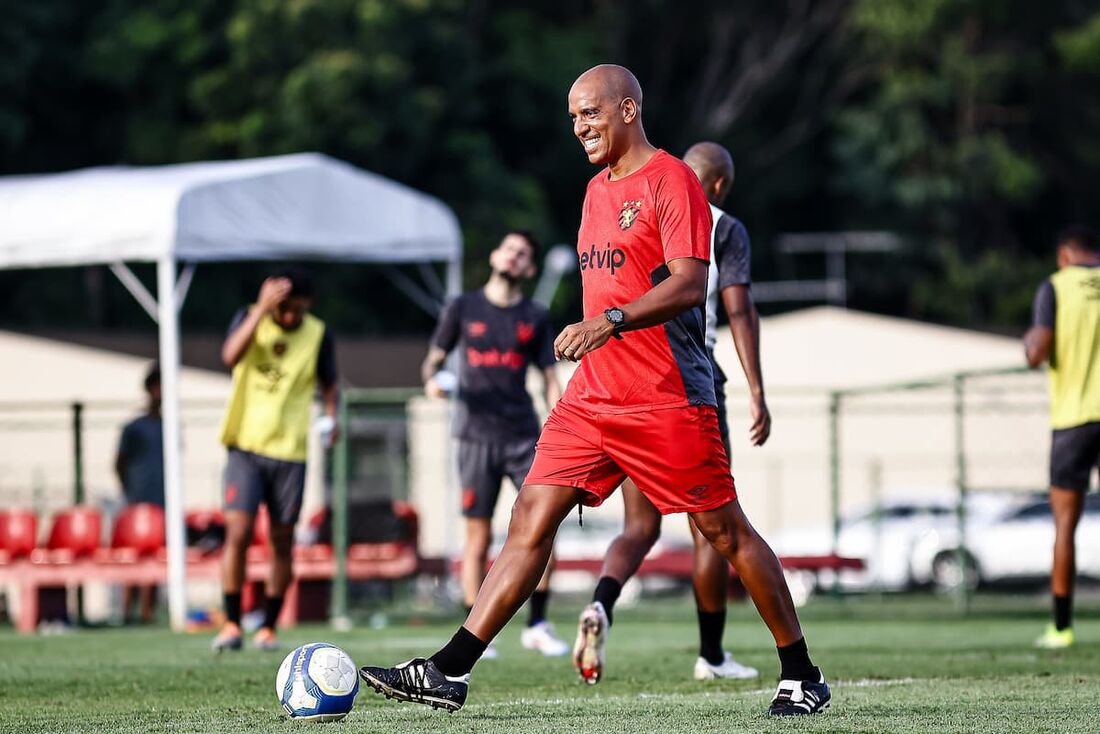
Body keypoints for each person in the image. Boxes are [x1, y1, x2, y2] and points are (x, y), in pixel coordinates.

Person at [358, 64, 829, 717]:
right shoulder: (592, 191)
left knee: (722, 531)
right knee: (530, 516)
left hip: (665, 393)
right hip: (592, 397)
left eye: (591, 112)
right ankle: (450, 670)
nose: (579, 125)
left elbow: (691, 285)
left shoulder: (674, 182)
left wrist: (607, 321)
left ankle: (801, 673)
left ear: (629, 109)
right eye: (573, 115)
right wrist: (590, 336)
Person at [575, 141, 768, 683]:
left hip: (621, 378)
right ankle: (711, 655)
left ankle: (603, 604)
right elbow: (737, 307)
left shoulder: (625, 201)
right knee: (713, 522)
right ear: (721, 185)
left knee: (640, 527)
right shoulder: (722, 225)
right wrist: (757, 388)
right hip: (686, 381)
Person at [422, 231, 567, 658]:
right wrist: (431, 381)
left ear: (530, 269)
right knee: (477, 536)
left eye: (523, 253)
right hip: (474, 437)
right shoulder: (462, 308)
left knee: (542, 527)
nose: (514, 256)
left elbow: (549, 378)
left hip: (523, 436)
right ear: (494, 254)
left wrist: (560, 425)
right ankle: (475, 629)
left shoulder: (535, 315)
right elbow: (433, 358)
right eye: (509, 248)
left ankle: (538, 624)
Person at [211, 268, 338, 652]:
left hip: (290, 451)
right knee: (239, 533)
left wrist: (331, 418)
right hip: (245, 447)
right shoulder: (250, 317)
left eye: (293, 309)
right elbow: (230, 356)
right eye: (280, 308)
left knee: (282, 540)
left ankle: (268, 626)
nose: (286, 317)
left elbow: (330, 385)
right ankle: (232, 623)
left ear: (306, 305)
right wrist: (260, 310)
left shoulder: (318, 334)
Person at [1025, 224, 1100, 650]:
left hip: (1073, 421)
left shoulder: (1055, 287)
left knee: (1066, 525)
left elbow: (1038, 353)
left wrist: (1030, 342)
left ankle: (1062, 628)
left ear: (1064, 254)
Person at [114, 363, 165, 624]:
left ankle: (148, 613)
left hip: (161, 502)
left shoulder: (170, 426)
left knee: (155, 561)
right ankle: (126, 613)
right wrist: (130, 492)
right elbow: (119, 462)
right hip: (138, 500)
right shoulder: (134, 427)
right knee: (132, 560)